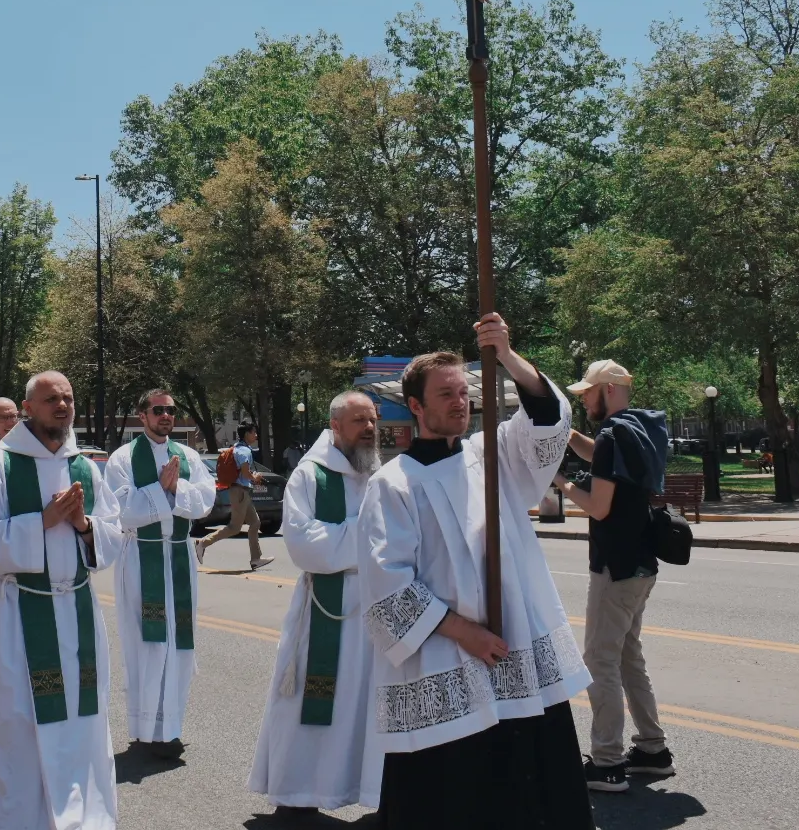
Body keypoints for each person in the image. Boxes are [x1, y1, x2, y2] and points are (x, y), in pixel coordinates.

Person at [358, 316, 593, 828]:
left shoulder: (494, 454)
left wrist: (507, 354)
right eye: (445, 394)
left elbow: (547, 420)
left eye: (463, 391)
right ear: (415, 406)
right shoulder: (393, 484)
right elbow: (386, 581)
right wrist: (464, 632)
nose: (459, 401)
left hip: (513, 649)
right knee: (455, 797)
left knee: (530, 788)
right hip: (446, 655)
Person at [0, 370, 122, 830]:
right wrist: (45, 519)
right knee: (16, 725)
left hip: (76, 612)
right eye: (52, 398)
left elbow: (112, 535)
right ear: (28, 408)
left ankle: (83, 819)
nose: (63, 405)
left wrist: (83, 525)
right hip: (18, 616)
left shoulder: (85, 467)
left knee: (81, 720)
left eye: (68, 398)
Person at [250, 391, 381, 816]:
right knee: (313, 702)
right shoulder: (311, 476)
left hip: (374, 607)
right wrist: (367, 534)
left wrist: (359, 536)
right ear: (336, 426)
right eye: (360, 421)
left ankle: (368, 792)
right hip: (328, 606)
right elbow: (307, 547)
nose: (370, 429)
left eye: (373, 420)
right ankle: (297, 796)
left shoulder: (376, 473)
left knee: (364, 703)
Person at [554, 359, 674, 791]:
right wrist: (568, 436)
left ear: (607, 390)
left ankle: (606, 762)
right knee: (628, 657)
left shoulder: (611, 436)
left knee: (600, 661)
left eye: (587, 392)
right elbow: (605, 458)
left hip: (614, 567)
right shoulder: (639, 428)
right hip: (642, 564)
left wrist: (562, 481)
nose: (584, 399)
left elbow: (599, 505)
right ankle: (652, 751)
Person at [102, 388, 216, 757]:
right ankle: (144, 728)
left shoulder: (188, 456)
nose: (166, 416)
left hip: (179, 558)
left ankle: (170, 728)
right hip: (141, 557)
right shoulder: (122, 459)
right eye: (159, 410)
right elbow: (120, 510)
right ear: (142, 415)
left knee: (179, 645)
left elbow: (205, 501)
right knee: (146, 644)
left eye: (171, 410)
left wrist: (176, 487)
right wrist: (162, 491)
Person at [196, 424, 273, 570]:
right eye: (253, 432)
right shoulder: (244, 451)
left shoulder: (237, 448)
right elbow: (245, 474)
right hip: (239, 492)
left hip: (241, 491)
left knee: (255, 523)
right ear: (246, 434)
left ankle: (256, 559)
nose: (256, 435)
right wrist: (255, 477)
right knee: (234, 527)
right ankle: (203, 543)